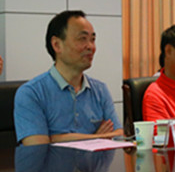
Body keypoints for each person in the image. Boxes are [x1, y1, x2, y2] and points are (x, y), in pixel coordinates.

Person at [14, 10, 123, 146]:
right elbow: (38, 146)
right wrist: (98, 137)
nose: (91, 47)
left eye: (92, 40)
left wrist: (55, 138)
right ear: (57, 45)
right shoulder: (31, 93)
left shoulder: (100, 90)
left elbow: (119, 135)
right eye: (82, 39)